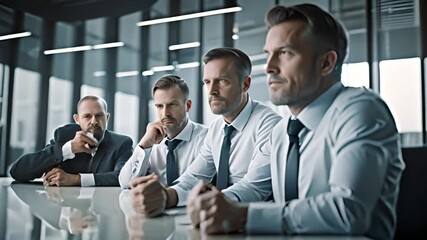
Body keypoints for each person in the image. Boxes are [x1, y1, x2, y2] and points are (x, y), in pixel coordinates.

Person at [187, 4, 405, 240]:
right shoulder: (283, 129)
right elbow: (255, 186)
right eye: (268, 54)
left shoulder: (361, 110)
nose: (269, 67)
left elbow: (348, 211)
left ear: (326, 63)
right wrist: (215, 203)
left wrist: (243, 216)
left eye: (285, 53)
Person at [130, 47, 282, 217]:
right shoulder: (217, 129)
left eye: (222, 81)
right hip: (215, 220)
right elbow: (194, 176)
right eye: (207, 82)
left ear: (245, 84)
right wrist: (166, 196)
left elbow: (255, 187)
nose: (212, 91)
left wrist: (209, 202)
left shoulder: (269, 124)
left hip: (253, 222)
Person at [9, 95, 133, 186]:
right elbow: (18, 172)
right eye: (87, 116)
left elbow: (123, 178)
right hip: (68, 209)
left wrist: (76, 179)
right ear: (77, 119)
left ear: (107, 118)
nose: (94, 121)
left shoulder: (122, 143)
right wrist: (66, 150)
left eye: (99, 116)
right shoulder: (64, 136)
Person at [118, 74, 208, 188]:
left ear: (188, 106)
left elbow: (197, 184)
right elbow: (125, 182)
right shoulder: (152, 142)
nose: (165, 113)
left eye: (172, 105)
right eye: (160, 106)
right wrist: (144, 145)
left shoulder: (205, 138)